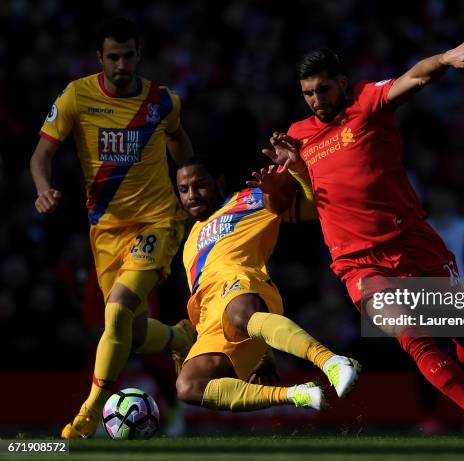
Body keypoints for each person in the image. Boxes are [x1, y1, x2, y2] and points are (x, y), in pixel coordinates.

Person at [263, 44, 464, 438]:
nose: (316, 100)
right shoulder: (296, 137)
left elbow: (416, 77)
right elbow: (294, 209)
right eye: (308, 93)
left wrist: (446, 59)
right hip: (359, 262)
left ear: (341, 83)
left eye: (323, 90)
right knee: (411, 334)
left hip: (411, 241)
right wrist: (285, 179)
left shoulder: (366, 101)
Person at [30, 17, 195, 439]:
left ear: (139, 54)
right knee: (134, 334)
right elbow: (41, 155)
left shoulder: (162, 101)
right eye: (113, 57)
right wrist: (43, 189)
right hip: (105, 231)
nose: (122, 64)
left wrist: (192, 183)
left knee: (117, 308)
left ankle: (89, 412)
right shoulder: (76, 97)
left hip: (157, 221)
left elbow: (179, 142)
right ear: (100, 58)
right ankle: (178, 338)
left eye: (128, 56)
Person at [174, 157, 360, 411]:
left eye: (200, 186)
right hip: (212, 320)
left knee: (240, 313)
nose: (192, 195)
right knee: (189, 385)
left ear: (219, 182)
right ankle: (295, 395)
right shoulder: (190, 241)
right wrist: (263, 354)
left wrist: (294, 174)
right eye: (184, 190)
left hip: (242, 284)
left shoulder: (250, 199)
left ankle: (331, 362)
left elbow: (312, 206)